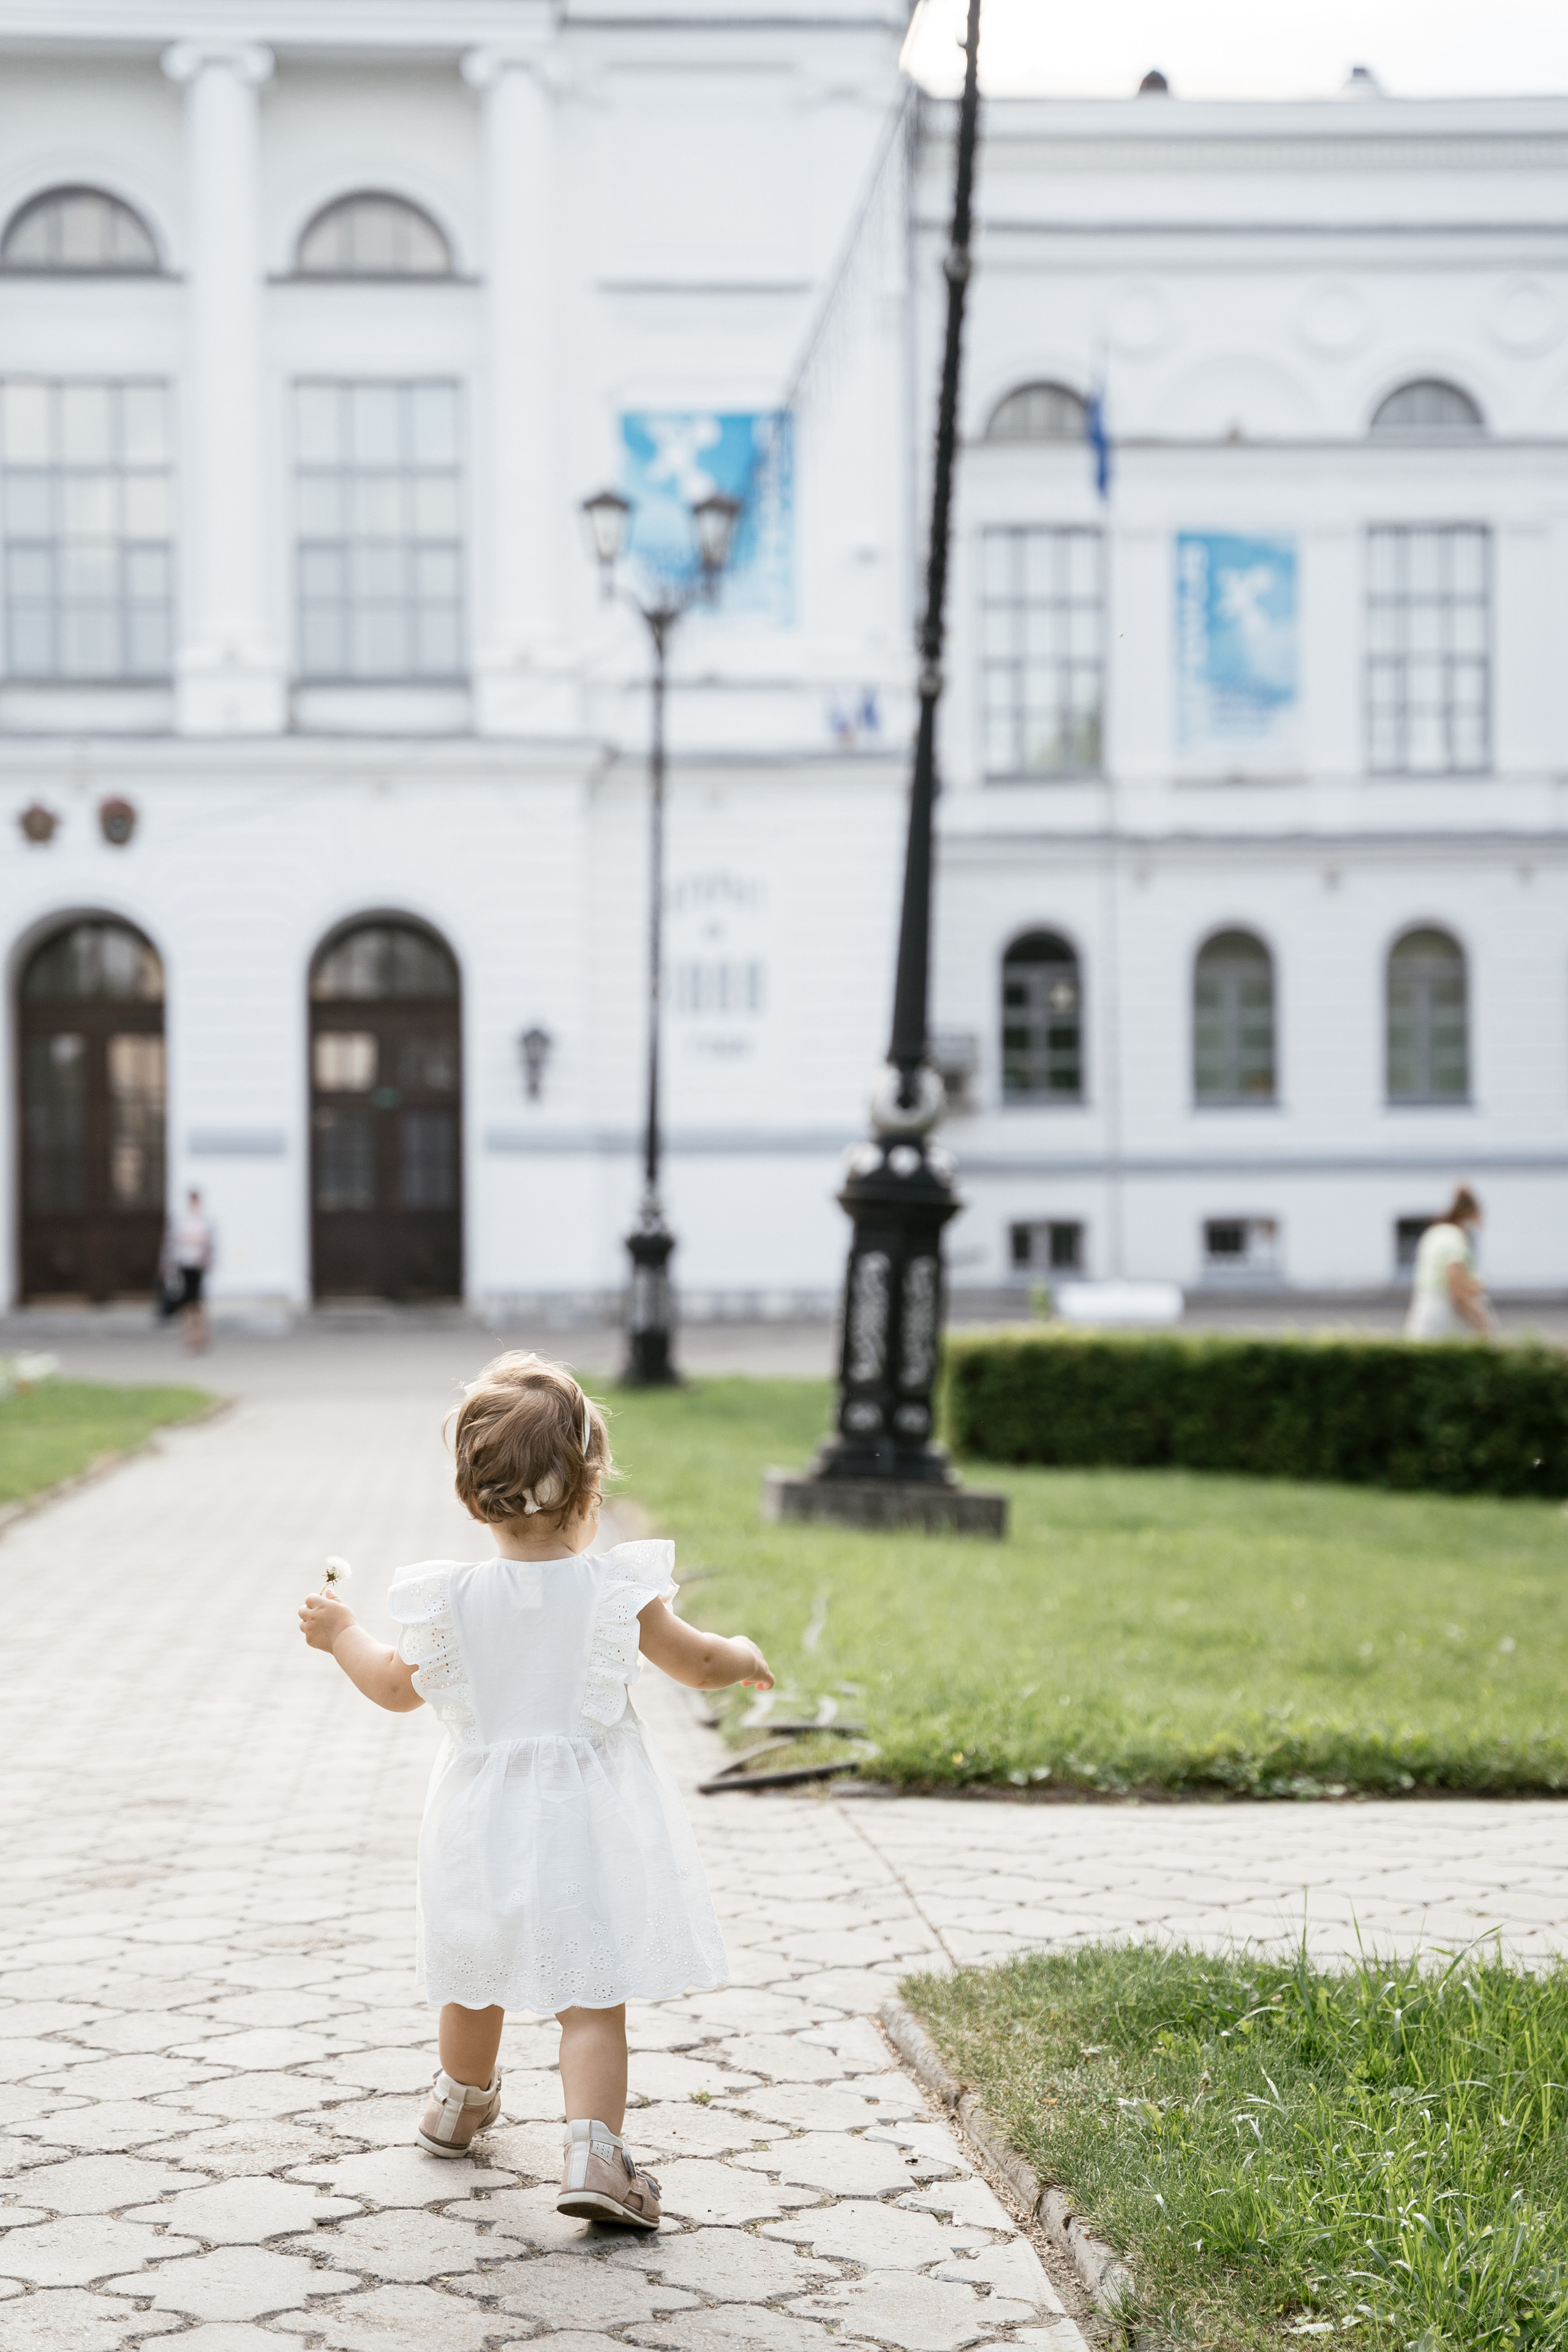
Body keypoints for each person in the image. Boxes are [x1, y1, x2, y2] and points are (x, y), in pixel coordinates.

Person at [297, 1351, 773, 2226]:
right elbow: (699, 1663)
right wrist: (742, 1654)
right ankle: (595, 2152)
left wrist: (341, 1634)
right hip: (585, 1824)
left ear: (471, 1496)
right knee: (588, 1997)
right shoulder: (616, 1590)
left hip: (477, 1826)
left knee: (472, 1973)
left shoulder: (450, 1600)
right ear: (591, 1484)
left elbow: (394, 1688)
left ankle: (458, 2101)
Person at [1404, 1185, 1496, 1340]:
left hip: (1423, 1316)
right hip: (1442, 1323)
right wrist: (1483, 1323)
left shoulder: (1435, 1233)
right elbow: (1456, 1286)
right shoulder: (1454, 1239)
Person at [163, 1188, 214, 1352]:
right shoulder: (182, 1220)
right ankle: (189, 1334)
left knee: (196, 1298)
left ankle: (200, 1334)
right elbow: (172, 1241)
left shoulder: (204, 1220)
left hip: (198, 1265)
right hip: (184, 1263)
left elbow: (208, 1243)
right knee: (187, 1298)